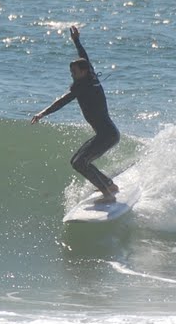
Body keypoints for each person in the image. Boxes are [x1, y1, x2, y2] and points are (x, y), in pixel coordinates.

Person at [31, 25, 120, 199]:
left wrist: (43, 113)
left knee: (80, 162)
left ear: (83, 71)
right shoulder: (90, 76)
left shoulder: (84, 87)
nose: (72, 74)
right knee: (76, 162)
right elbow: (84, 57)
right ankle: (109, 185)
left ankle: (108, 193)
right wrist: (77, 41)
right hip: (106, 134)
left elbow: (62, 101)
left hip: (107, 135)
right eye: (71, 71)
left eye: (74, 71)